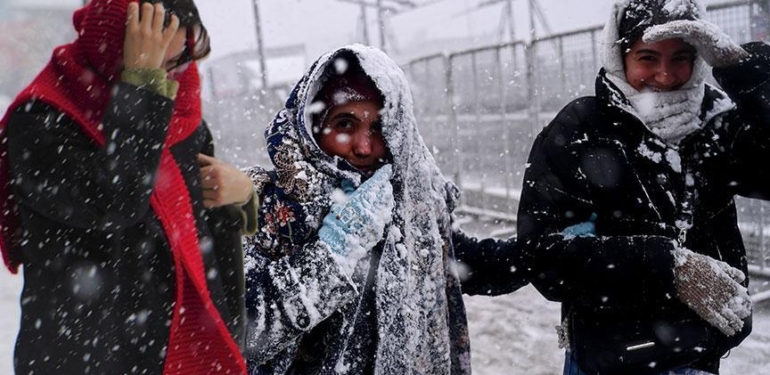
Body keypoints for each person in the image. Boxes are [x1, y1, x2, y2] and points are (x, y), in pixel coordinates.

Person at [241, 44, 531, 375]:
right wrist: (334, 252)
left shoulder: (405, 201)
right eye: (345, 124)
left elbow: (452, 261)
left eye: (379, 128)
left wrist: (536, 255)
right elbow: (246, 333)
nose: (364, 147)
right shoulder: (267, 208)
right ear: (312, 126)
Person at [0, 0, 256, 373]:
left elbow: (204, 246)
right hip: (86, 360)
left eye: (180, 61)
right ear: (114, 56)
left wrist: (242, 197)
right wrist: (142, 86)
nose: (172, 81)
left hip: (181, 354)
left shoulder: (180, 117)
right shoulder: (41, 121)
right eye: (154, 62)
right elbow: (116, 200)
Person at [516, 0, 770, 374]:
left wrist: (749, 74)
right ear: (620, 55)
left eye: (681, 57)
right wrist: (667, 266)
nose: (665, 76)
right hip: (610, 360)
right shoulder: (581, 128)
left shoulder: (714, 120)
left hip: (699, 355)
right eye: (648, 58)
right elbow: (545, 255)